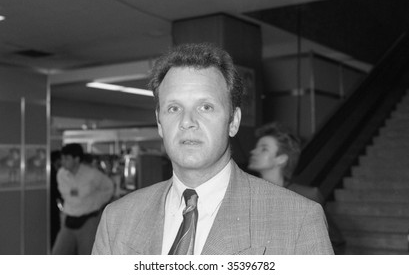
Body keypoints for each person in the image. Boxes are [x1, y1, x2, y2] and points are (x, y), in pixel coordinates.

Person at [92, 43, 333, 255]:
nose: (187, 121)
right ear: (159, 123)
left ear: (233, 121)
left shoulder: (298, 220)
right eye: (174, 108)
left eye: (205, 107)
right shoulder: (117, 219)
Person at [248, 122, 345, 254]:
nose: (253, 151)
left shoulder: (307, 197)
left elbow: (335, 243)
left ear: (281, 159)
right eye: (256, 147)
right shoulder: (247, 196)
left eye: (264, 149)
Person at [52, 143, 114, 255]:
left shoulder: (92, 174)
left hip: (88, 221)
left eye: (66, 158)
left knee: (87, 254)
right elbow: (65, 194)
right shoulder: (61, 174)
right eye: (62, 158)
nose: (62, 161)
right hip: (69, 221)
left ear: (76, 159)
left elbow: (109, 187)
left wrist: (96, 203)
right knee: (58, 253)